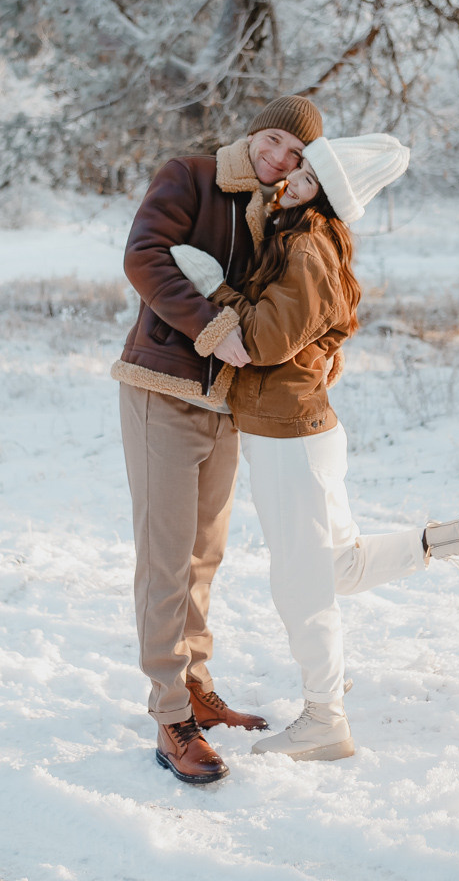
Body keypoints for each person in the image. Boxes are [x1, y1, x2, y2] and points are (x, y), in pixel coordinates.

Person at [171, 133, 459, 764]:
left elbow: (262, 341)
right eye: (298, 171)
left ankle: (324, 719)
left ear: (329, 199)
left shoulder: (308, 247)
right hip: (295, 433)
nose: (290, 181)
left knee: (301, 585)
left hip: (290, 437)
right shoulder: (298, 238)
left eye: (308, 179)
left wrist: (217, 293)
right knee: (338, 567)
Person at [112, 95, 325, 785]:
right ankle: (168, 715)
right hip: (164, 389)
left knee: (204, 555)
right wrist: (208, 327)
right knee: (166, 557)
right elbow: (144, 257)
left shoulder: (280, 213)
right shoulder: (191, 176)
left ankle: (197, 689)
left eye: (293, 156)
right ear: (252, 131)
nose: (277, 160)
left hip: (228, 404)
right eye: (271, 142)